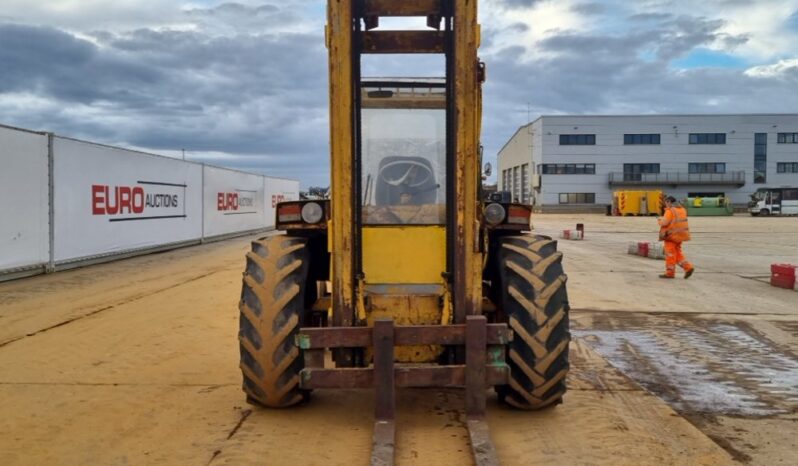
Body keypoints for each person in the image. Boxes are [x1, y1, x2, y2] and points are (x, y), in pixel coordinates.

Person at [658, 195, 695, 279]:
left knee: (670, 254)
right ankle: (688, 267)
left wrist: (659, 221)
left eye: (666, 203)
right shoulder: (682, 209)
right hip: (680, 235)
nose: (665, 205)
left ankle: (670, 273)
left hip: (671, 236)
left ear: (669, 202)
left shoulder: (670, 211)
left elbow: (664, 223)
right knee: (677, 253)